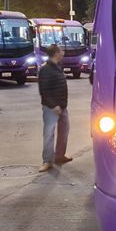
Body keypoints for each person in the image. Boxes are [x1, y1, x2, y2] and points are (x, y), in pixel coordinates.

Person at [38, 44, 72, 172]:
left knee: (64, 132)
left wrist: (62, 106)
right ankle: (47, 161)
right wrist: (53, 105)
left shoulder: (58, 68)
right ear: (56, 53)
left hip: (62, 107)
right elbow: (44, 91)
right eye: (61, 51)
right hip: (51, 109)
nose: (63, 53)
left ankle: (59, 156)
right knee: (49, 134)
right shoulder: (46, 70)